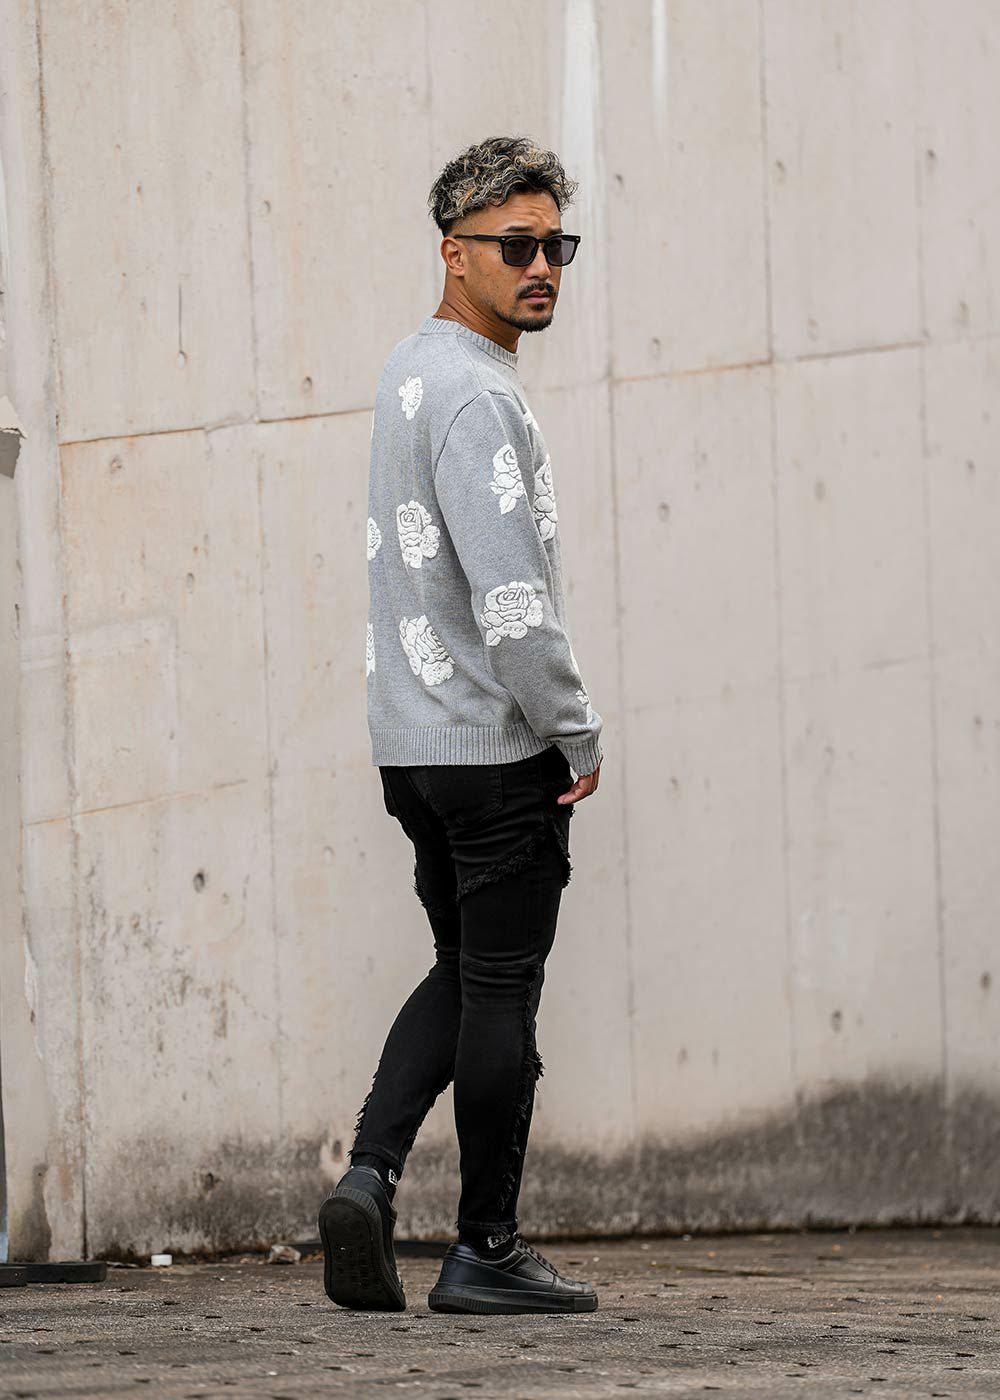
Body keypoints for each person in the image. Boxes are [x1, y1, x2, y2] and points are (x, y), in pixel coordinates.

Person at [319, 135, 603, 1316]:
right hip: (490, 747)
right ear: (454, 252)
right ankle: (485, 1244)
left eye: (555, 246)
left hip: (413, 746)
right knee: (501, 993)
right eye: (515, 246)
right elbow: (513, 601)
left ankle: (369, 1175)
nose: (540, 268)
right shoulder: (481, 395)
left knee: (464, 969)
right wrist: (574, 730)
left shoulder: (412, 365)